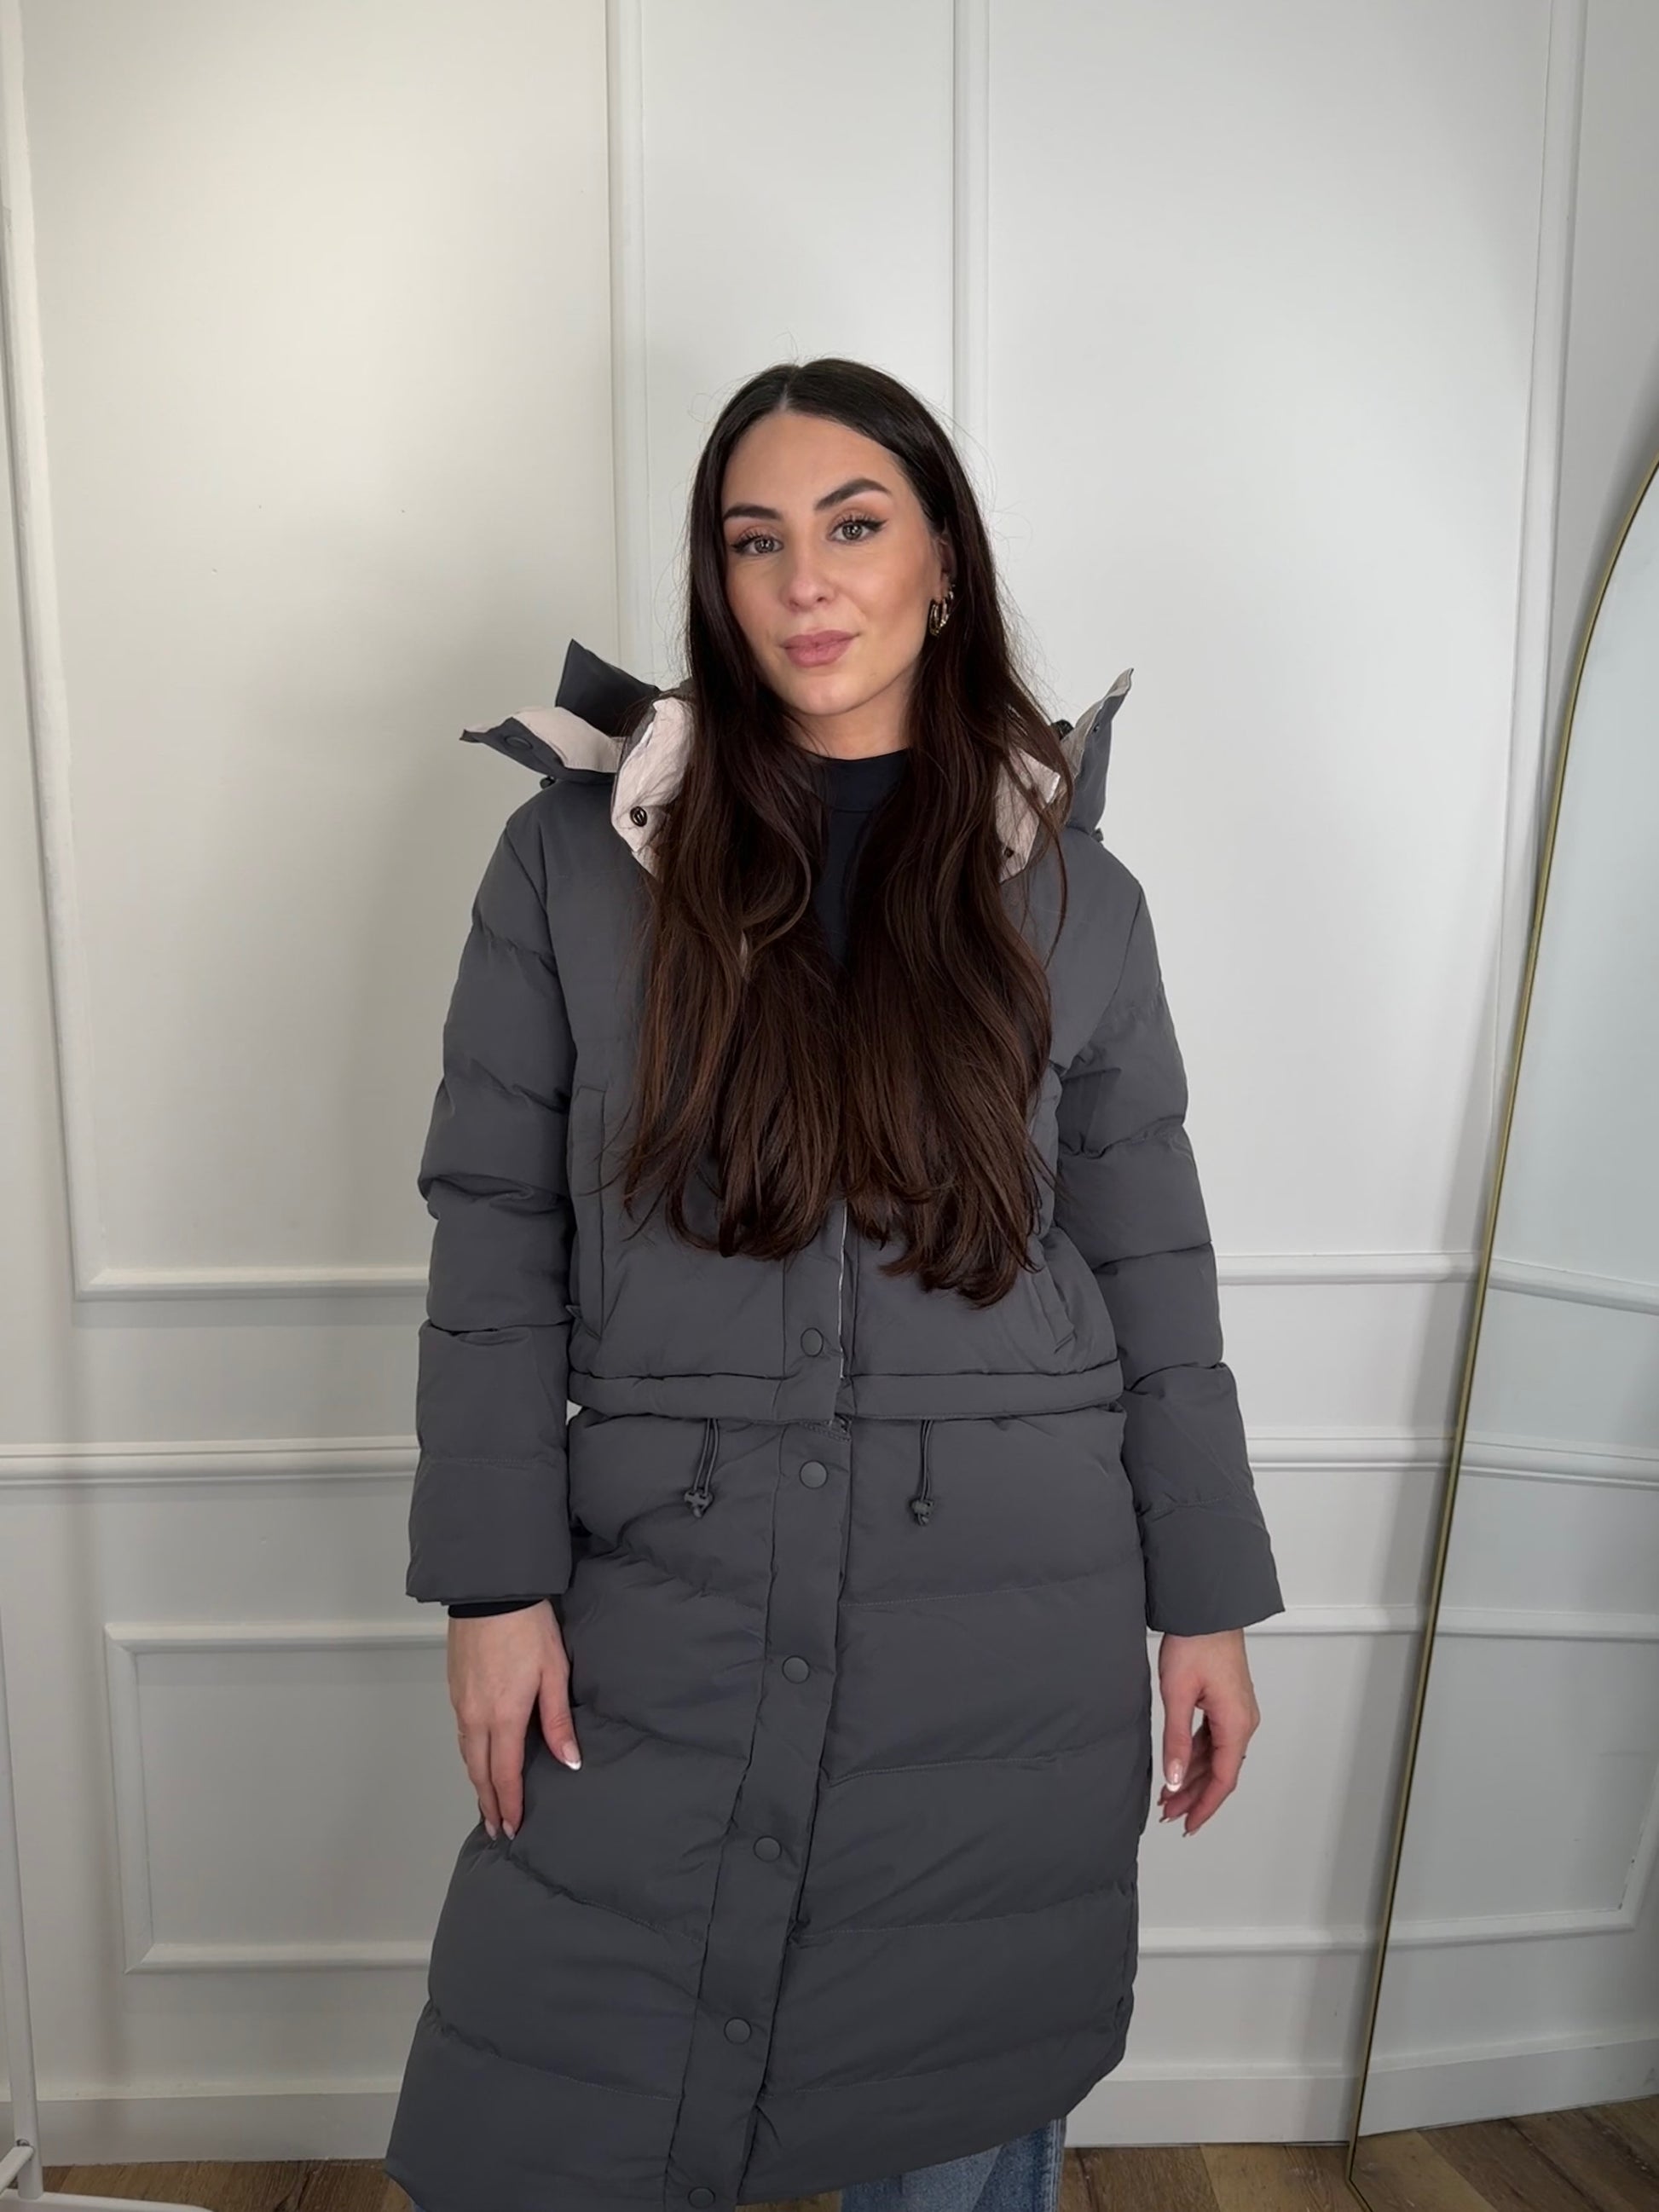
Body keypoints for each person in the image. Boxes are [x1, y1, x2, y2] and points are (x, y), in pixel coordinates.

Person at [384, 357, 1285, 2212]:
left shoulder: (1080, 897)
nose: (804, 581)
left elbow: (1151, 1260)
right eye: (753, 541)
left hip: (1010, 1606)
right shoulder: (572, 863)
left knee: (956, 2106)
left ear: (941, 560)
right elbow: (494, 1228)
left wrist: (1206, 1604)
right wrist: (494, 1578)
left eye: (854, 526)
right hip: (663, 1584)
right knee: (554, 2094)